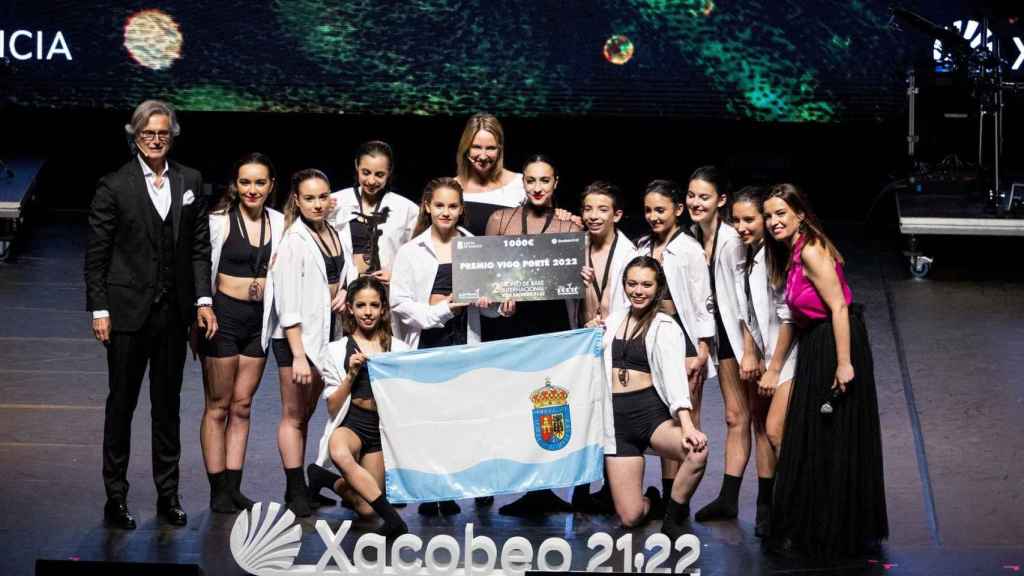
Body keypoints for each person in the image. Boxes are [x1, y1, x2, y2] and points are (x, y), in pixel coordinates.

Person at [85, 99, 215, 528]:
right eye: (147, 134)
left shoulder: (189, 179)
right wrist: (100, 308)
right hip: (126, 313)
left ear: (172, 135)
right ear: (134, 136)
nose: (155, 140)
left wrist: (202, 300)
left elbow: (199, 249)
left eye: (162, 133)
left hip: (172, 314)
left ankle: (168, 495)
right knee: (121, 405)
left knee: (167, 407)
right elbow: (97, 254)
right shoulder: (114, 185)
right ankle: (115, 497)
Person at [763, 183, 887, 559]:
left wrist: (845, 363)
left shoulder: (813, 251)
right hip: (814, 342)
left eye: (780, 214)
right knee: (810, 436)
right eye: (769, 215)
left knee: (831, 435)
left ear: (800, 214)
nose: (773, 222)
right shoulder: (792, 252)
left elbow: (839, 308)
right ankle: (812, 518)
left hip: (833, 343)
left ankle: (834, 528)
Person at [390, 177, 510, 515]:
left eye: (453, 206)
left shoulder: (474, 247)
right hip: (428, 343)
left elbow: (483, 304)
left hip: (464, 342)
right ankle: (434, 492)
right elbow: (400, 305)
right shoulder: (411, 251)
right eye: (439, 205)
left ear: (461, 210)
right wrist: (443, 308)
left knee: (466, 418)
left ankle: (470, 485)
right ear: (428, 207)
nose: (446, 212)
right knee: (432, 419)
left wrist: (498, 305)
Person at [482, 154, 582, 516]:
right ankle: (524, 485)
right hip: (510, 325)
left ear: (556, 183)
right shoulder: (500, 220)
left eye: (545, 180)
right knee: (514, 404)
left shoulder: (571, 227)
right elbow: (487, 276)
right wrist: (494, 297)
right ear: (522, 183)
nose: (537, 188)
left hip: (552, 324)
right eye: (530, 181)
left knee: (550, 402)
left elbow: (575, 283)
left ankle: (545, 487)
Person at [588, 256, 708, 538]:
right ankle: (651, 500)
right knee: (630, 517)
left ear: (658, 288)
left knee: (697, 451)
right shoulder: (614, 320)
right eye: (632, 284)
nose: (638, 291)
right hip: (616, 422)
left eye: (646, 284)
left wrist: (687, 424)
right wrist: (591, 329)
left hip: (650, 415)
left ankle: (673, 515)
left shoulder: (665, 326)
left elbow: (676, 381)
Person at [200, 153, 285, 513]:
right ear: (235, 185)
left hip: (258, 320)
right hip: (223, 317)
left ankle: (234, 486)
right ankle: (217, 488)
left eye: (260, 183)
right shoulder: (218, 222)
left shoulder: (281, 223)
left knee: (244, 406)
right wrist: (202, 306)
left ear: (271, 186)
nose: (252, 190)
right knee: (218, 406)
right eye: (246, 182)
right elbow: (200, 266)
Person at [270, 169, 349, 517]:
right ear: (297, 201)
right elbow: (286, 305)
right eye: (310, 198)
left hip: (325, 338)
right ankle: (294, 489)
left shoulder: (334, 232)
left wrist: (345, 291)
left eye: (322, 197)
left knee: (308, 413)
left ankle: (304, 484)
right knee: (293, 415)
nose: (317, 204)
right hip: (296, 342)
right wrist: (299, 355)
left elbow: (343, 276)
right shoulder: (293, 241)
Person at [306, 276, 410, 537]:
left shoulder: (398, 349)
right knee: (339, 451)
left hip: (379, 430)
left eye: (374, 305)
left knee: (365, 508)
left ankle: (324, 479)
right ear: (350, 308)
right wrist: (351, 374)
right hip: (351, 422)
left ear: (383, 309)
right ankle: (394, 520)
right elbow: (332, 406)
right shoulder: (335, 350)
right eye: (361, 305)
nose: (368, 312)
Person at [635, 180, 715, 511]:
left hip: (683, 342)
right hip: (651, 341)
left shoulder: (689, 249)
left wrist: (702, 349)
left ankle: (676, 500)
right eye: (649, 210)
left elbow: (702, 302)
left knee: (682, 420)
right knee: (661, 421)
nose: (654, 216)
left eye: (661, 210)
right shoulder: (641, 245)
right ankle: (667, 494)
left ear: (678, 210)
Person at [729, 185, 798, 537]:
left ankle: (799, 504)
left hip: (787, 356)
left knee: (774, 430)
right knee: (761, 429)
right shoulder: (746, 256)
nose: (742, 227)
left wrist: (773, 368)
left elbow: (788, 316)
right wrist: (749, 350)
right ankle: (766, 507)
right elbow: (747, 313)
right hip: (764, 353)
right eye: (736, 220)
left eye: (750, 219)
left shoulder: (777, 256)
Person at [684, 166, 749, 525]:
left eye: (704, 196)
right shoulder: (687, 237)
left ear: (721, 201)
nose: (695, 202)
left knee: (736, 415)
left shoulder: (732, 240)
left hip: (734, 335)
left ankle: (730, 497)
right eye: (691, 195)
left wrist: (751, 348)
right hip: (699, 336)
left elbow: (746, 295)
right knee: (689, 417)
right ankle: (677, 499)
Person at [328, 140, 419, 284]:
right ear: (357, 166)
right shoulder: (336, 202)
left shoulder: (407, 209)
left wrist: (396, 275)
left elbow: (417, 256)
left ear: (389, 173)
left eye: (379, 175)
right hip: (346, 290)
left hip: (385, 291)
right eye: (366, 172)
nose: (371, 180)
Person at [454, 113, 525, 236]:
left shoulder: (521, 184)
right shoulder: (450, 188)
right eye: (476, 147)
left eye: (491, 148)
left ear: (500, 149)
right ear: (466, 148)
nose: (483, 156)